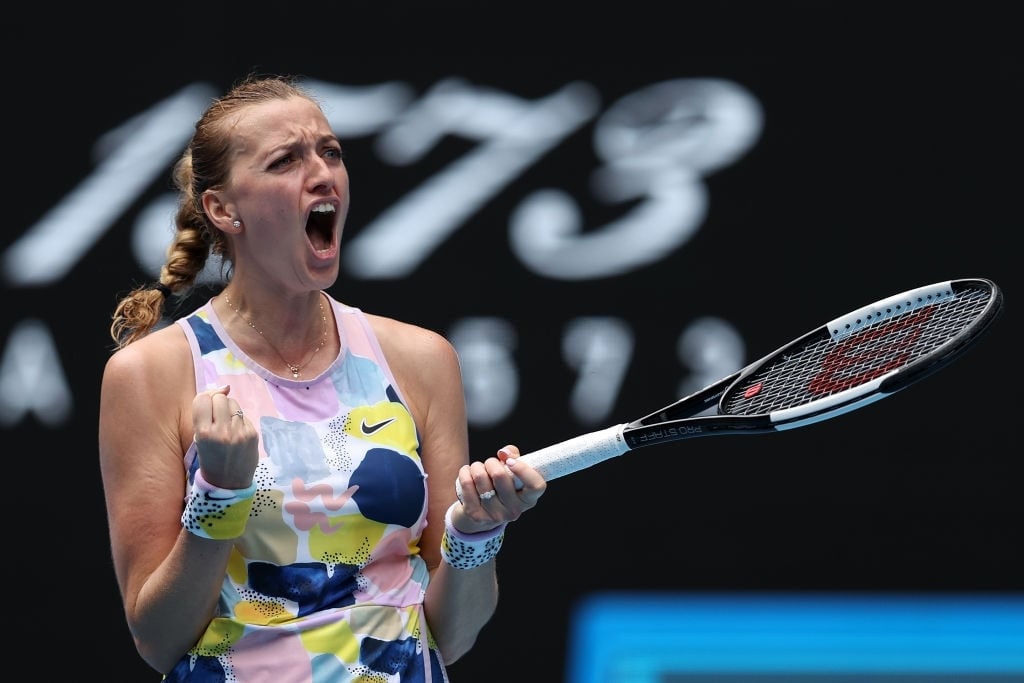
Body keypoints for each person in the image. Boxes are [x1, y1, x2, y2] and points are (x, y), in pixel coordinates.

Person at [98, 72, 547, 682]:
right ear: (222, 209)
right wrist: (219, 499)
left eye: (330, 152)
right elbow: (158, 637)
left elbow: (454, 635)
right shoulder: (151, 373)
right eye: (285, 160)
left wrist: (474, 535)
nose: (322, 173)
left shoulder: (422, 359)